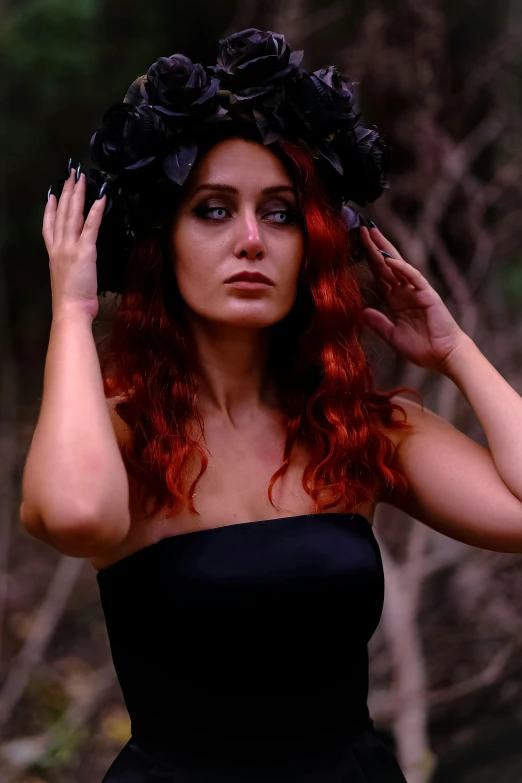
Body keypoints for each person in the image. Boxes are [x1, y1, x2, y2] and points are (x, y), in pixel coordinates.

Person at [22, 27, 522, 783]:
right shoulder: (119, 435)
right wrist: (70, 312)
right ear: (164, 241)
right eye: (214, 210)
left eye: (281, 213)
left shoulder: (359, 429)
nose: (252, 239)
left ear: (310, 246)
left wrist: (455, 351)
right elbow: (77, 515)